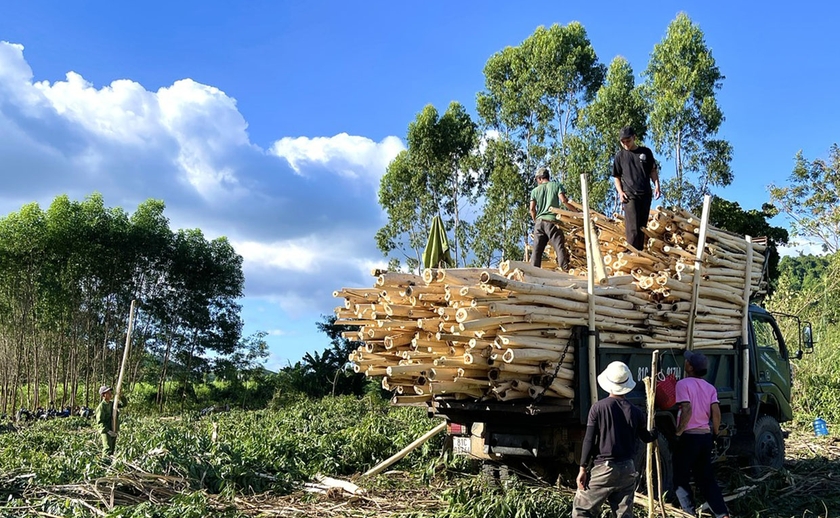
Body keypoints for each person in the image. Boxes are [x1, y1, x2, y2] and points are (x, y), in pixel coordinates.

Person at [573, 361, 659, 518]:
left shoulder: (598, 408)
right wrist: (654, 431)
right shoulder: (636, 411)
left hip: (605, 468)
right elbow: (646, 438)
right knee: (624, 514)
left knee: (582, 511)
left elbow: (589, 440)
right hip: (628, 469)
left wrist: (583, 469)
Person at [673, 351, 730, 518]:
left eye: (687, 361)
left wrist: (679, 432)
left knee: (681, 478)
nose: (685, 363)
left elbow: (687, 409)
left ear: (690, 367)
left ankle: (689, 513)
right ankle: (722, 513)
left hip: (689, 437)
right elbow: (716, 412)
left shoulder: (683, 384)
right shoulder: (710, 387)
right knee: (705, 478)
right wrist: (715, 432)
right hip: (705, 436)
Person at [612, 126, 661, 250]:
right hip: (629, 195)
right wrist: (620, 192)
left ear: (634, 137)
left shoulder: (645, 152)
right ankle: (631, 252)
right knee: (632, 226)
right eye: (623, 142)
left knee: (641, 227)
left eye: (628, 141)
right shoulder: (620, 156)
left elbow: (653, 171)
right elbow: (616, 176)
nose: (626, 144)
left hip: (645, 194)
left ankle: (639, 252)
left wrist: (657, 185)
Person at [529, 167, 575, 270]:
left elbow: (532, 209)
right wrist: (576, 211)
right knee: (559, 247)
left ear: (540, 178)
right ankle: (564, 270)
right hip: (552, 222)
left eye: (537, 180)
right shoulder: (556, 185)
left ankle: (533, 272)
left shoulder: (535, 191)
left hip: (539, 223)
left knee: (537, 251)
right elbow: (563, 201)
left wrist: (536, 220)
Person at [94, 385, 118, 456]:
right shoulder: (101, 406)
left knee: (112, 449)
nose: (110, 394)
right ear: (103, 395)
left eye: (110, 392)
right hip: (105, 431)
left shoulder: (112, 404)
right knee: (107, 448)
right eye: (108, 393)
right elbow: (100, 422)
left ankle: (110, 464)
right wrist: (108, 431)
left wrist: (121, 395)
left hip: (113, 428)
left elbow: (124, 404)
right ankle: (104, 463)